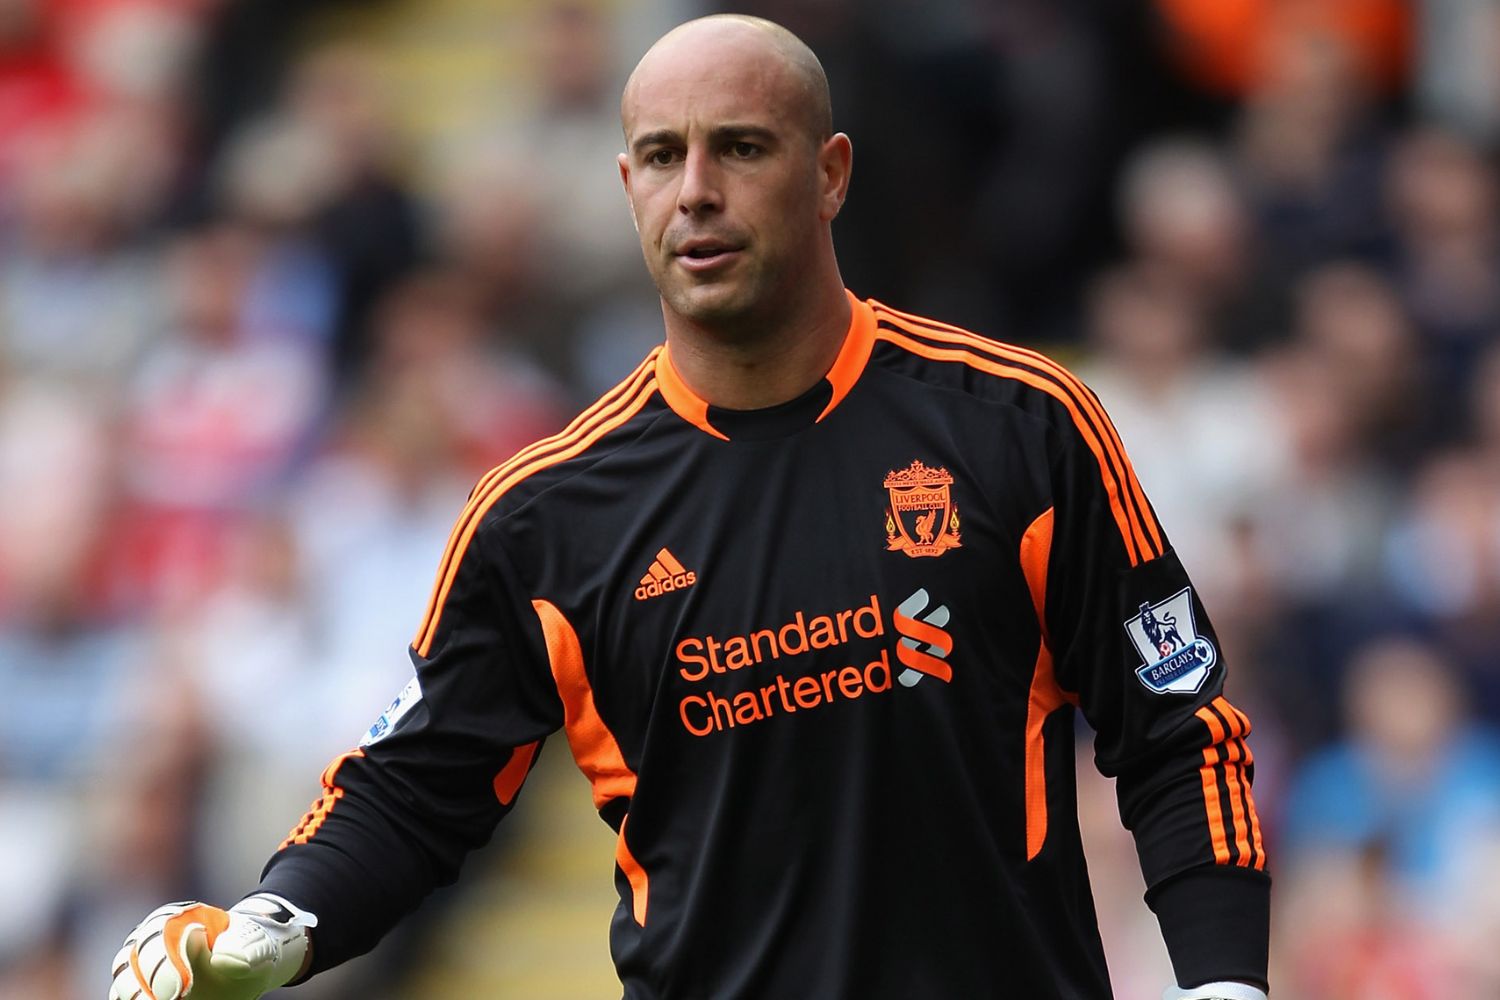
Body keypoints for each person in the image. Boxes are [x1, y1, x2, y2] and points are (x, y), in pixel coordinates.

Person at [109, 15, 1270, 1000]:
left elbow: (1178, 732)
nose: (697, 191)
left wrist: (1223, 981)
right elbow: (414, 786)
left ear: (831, 172)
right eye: (661, 157)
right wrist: (272, 923)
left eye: (742, 148)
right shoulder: (543, 513)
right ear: (626, 187)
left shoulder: (1019, 423)